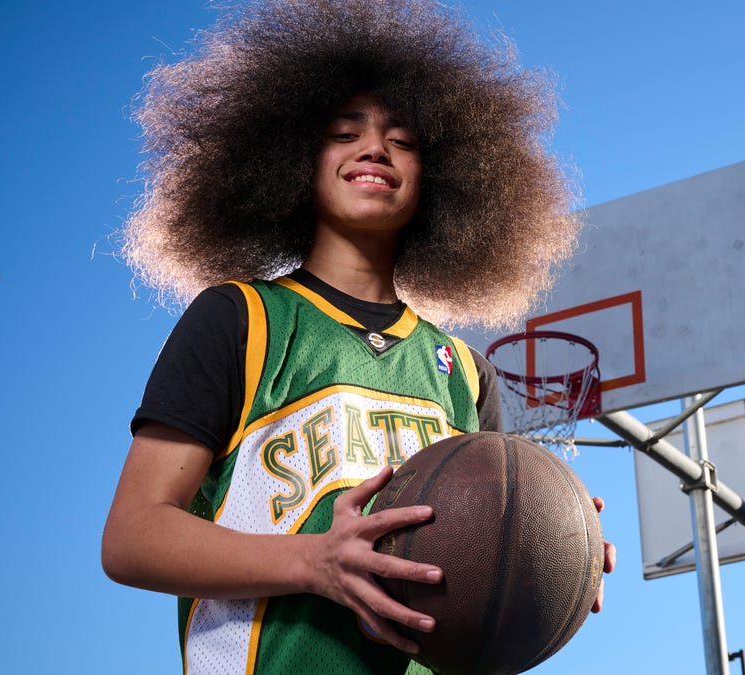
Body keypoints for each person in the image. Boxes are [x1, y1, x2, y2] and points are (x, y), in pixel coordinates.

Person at [100, 1, 614, 673]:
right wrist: (313, 562)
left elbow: (481, 569)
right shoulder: (242, 320)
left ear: (442, 177)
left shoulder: (462, 372)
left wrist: (548, 553)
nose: (375, 148)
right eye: (345, 133)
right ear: (291, 161)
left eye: (403, 140)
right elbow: (132, 536)